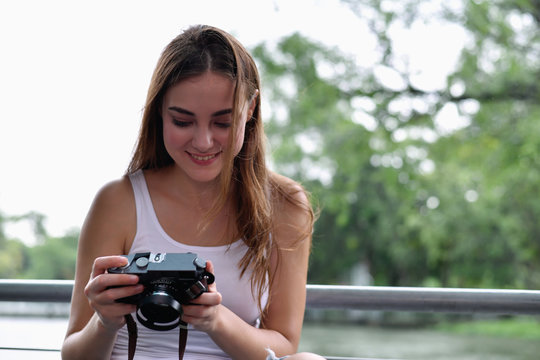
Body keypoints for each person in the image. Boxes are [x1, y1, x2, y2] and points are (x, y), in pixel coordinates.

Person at [61, 25, 325, 360]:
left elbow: (284, 346)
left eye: (223, 123)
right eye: (183, 122)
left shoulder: (285, 206)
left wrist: (215, 319)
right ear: (160, 112)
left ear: (251, 109)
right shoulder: (118, 201)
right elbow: (72, 355)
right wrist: (105, 321)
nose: (203, 142)